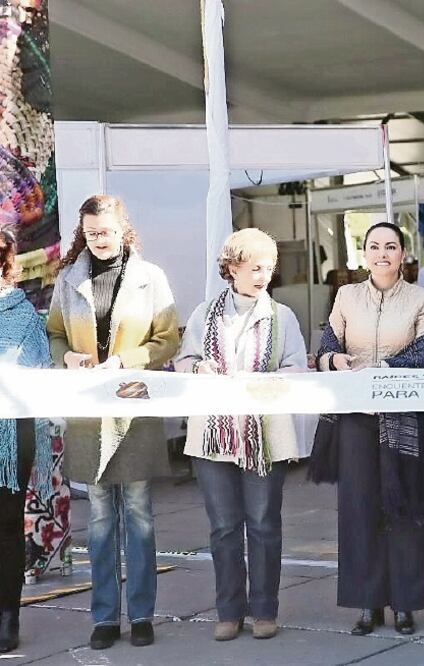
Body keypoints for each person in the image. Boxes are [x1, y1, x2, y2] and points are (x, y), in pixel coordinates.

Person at [47, 195, 180, 650]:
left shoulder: (150, 277)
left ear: (123, 229)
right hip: (88, 416)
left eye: (105, 231)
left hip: (135, 410)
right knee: (100, 520)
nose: (98, 240)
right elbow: (54, 332)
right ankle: (105, 617)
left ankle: (141, 614)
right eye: (90, 233)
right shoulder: (68, 278)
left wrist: (125, 361)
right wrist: (65, 356)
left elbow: (168, 339)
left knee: (140, 516)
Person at [175, 228, 307, 641]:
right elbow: (184, 360)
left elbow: (297, 368)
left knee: (265, 524)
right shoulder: (203, 315)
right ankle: (229, 611)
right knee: (224, 528)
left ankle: (265, 610)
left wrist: (263, 382)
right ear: (231, 268)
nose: (263, 275)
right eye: (254, 267)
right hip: (213, 437)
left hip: (265, 435)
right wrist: (199, 369)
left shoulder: (282, 316)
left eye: (269, 267)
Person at [314, 221, 424, 636]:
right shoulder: (346, 296)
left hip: (404, 416)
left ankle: (406, 602)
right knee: (359, 507)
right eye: (374, 246)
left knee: (407, 506)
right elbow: (328, 345)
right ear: (363, 254)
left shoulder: (422, 299)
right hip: (356, 418)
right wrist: (335, 362)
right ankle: (367, 602)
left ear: (403, 254)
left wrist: (381, 369)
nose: (382, 253)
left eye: (391, 246)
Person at [0, 227, 54, 653]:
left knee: (5, 528)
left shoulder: (26, 318)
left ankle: (8, 615)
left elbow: (41, 380)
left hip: (10, 438)